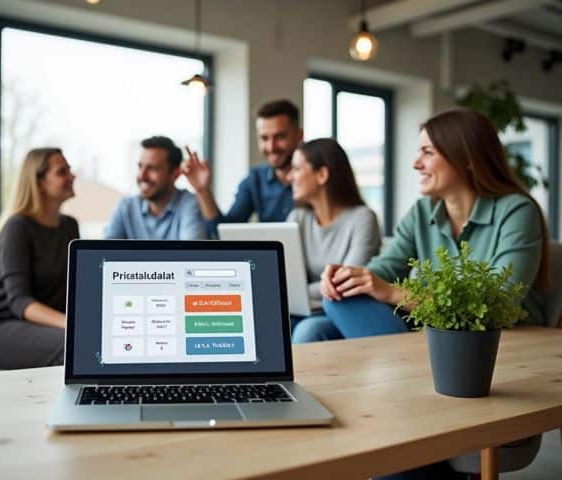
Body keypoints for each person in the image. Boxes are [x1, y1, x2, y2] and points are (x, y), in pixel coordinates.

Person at [314, 109, 552, 479]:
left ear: (466, 157)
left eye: (427, 152)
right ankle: (402, 428)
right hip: (429, 347)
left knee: (320, 328)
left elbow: (497, 304)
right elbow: (385, 267)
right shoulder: (424, 211)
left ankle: (406, 444)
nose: (415, 163)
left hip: (496, 349)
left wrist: (393, 293)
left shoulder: (515, 212)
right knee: (329, 310)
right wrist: (351, 276)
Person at [0, 148, 79, 369]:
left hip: (47, 327)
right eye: (62, 171)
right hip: (1, 327)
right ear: (38, 182)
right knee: (76, 346)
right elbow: (20, 302)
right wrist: (74, 325)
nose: (72, 176)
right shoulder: (18, 227)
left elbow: (75, 289)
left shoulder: (69, 226)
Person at [285, 138, 381, 343]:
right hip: (303, 308)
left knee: (308, 331)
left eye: (296, 169)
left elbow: (345, 283)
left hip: (341, 310)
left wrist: (295, 293)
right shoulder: (298, 218)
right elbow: (288, 281)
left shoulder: (363, 218)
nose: (289, 176)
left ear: (322, 174)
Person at [183, 99, 303, 237]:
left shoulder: (316, 178)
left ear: (299, 136)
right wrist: (203, 191)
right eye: (264, 138)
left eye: (280, 137)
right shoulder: (255, 179)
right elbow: (223, 235)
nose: (271, 147)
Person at [104, 136, 206, 240]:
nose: (141, 176)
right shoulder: (126, 207)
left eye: (152, 168)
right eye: (140, 167)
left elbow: (190, 254)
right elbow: (104, 253)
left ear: (175, 173)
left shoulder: (190, 204)